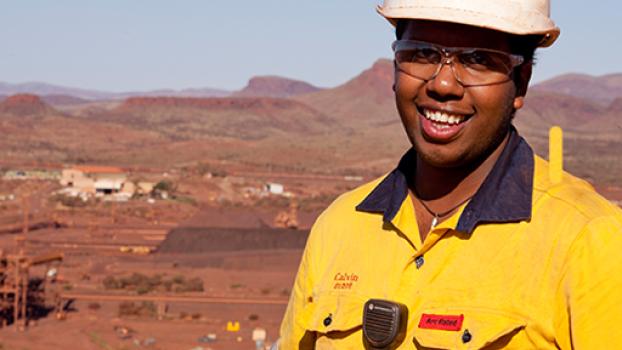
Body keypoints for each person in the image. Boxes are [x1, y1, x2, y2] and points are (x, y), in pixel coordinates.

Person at [277, 0, 622, 349]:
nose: (443, 84)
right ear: (396, 67)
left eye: (477, 60)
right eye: (423, 54)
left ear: (520, 83)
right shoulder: (339, 226)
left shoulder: (587, 240)